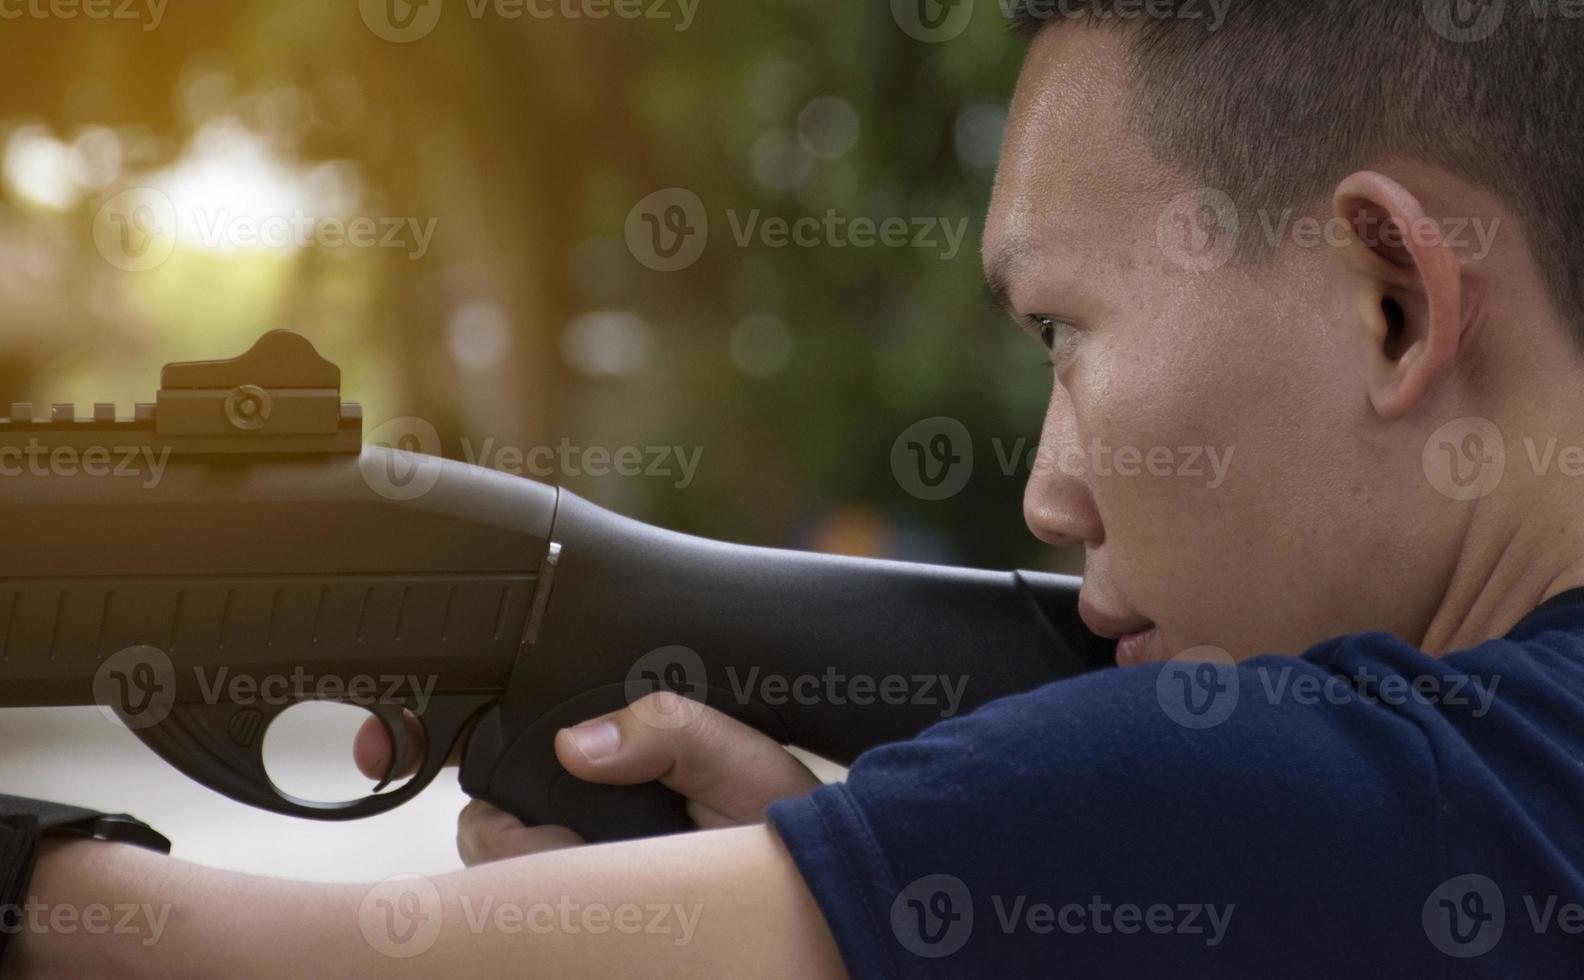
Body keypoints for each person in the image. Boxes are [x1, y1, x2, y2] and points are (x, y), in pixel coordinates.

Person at [10, 1, 1584, 974]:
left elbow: (221, 965)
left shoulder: (1258, 799)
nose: (1051, 494)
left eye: (1065, 333)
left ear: (1393, 295)